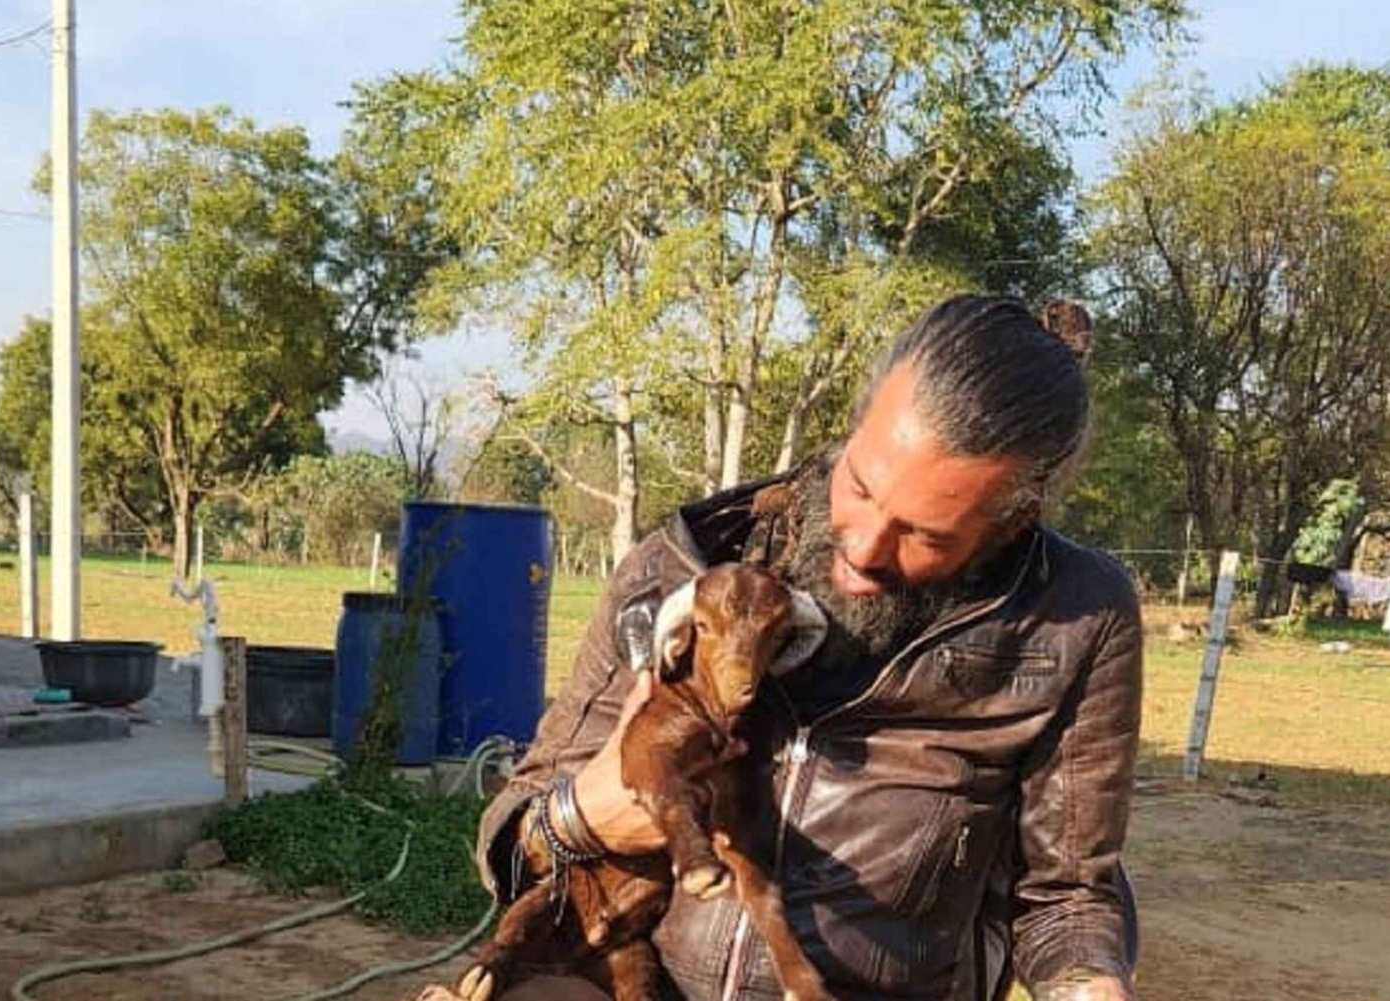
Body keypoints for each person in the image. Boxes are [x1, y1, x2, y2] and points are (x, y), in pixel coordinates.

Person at [441, 295, 1141, 1001]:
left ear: (1013, 521)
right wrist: (578, 814)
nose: (863, 548)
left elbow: (1066, 897)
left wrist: (1089, 983)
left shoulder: (1074, 620)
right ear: (853, 428)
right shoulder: (684, 567)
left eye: (925, 535)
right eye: (859, 486)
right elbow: (516, 833)